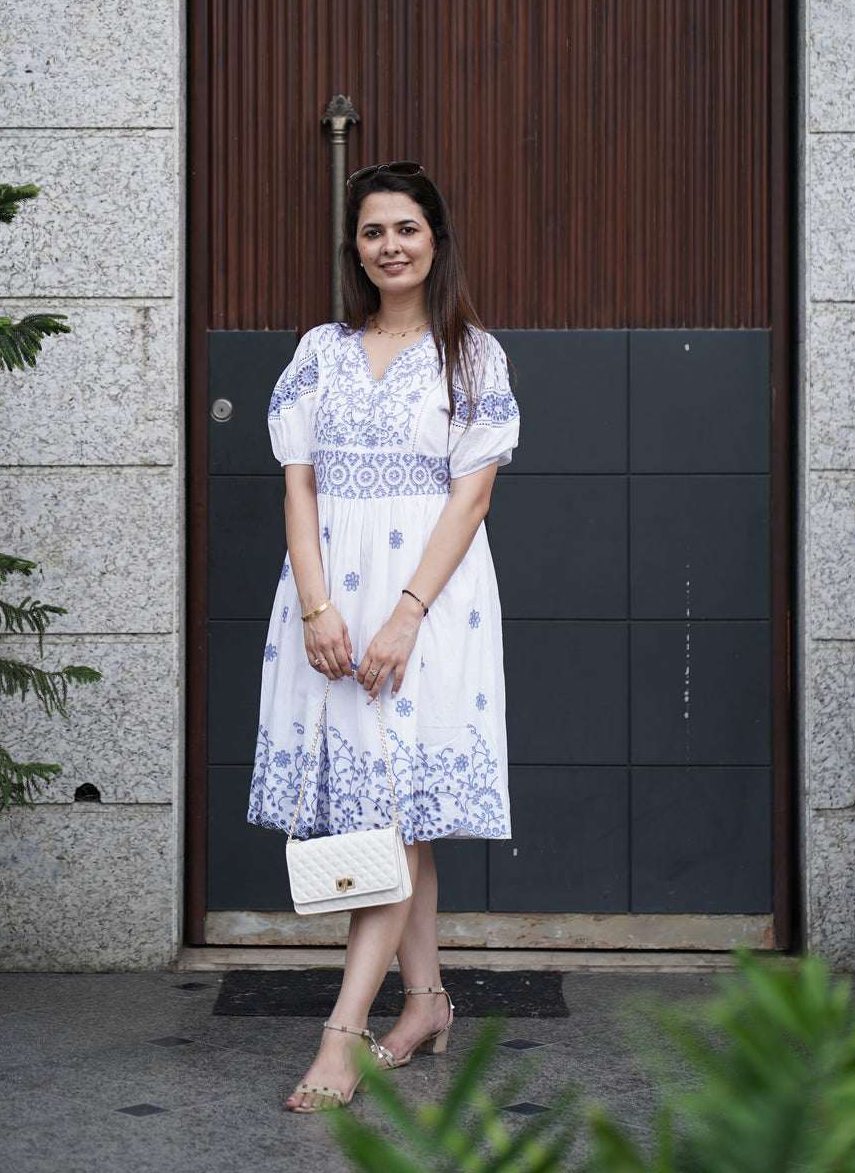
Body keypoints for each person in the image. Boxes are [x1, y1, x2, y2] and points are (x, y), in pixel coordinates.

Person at [247, 163, 520, 1112]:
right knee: (384, 812)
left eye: (407, 228)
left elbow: (471, 498)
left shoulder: (471, 356)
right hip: (329, 604)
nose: (390, 246)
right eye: (373, 231)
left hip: (428, 606)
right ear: (355, 248)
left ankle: (341, 1035)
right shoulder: (319, 351)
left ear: (436, 240)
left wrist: (405, 614)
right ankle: (428, 999)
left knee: (391, 816)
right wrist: (317, 607)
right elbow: (298, 484)